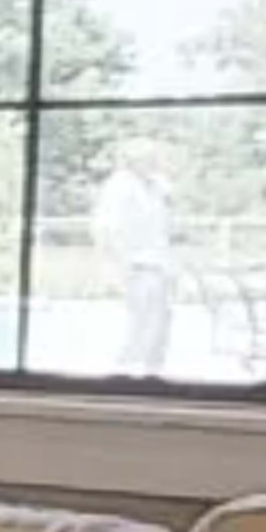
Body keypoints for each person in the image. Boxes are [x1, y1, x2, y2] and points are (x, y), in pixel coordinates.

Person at [94, 138, 178, 379]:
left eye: (155, 158)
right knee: (139, 322)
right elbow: (107, 230)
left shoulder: (157, 185)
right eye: (149, 158)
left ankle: (153, 372)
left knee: (161, 321)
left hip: (159, 264)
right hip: (136, 265)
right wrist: (117, 267)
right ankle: (125, 373)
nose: (155, 162)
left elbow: (166, 225)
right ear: (133, 161)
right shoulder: (119, 186)